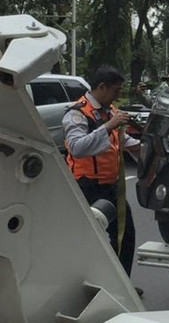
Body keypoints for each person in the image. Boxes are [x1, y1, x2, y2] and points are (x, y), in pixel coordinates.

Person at [62, 65, 141, 288]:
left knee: (125, 237)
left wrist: (144, 147)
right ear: (102, 87)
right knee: (90, 241)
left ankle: (122, 286)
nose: (118, 96)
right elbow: (77, 147)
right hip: (87, 187)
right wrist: (108, 126)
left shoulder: (111, 111)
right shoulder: (77, 113)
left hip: (112, 186)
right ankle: (85, 285)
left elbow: (122, 141)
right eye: (116, 90)